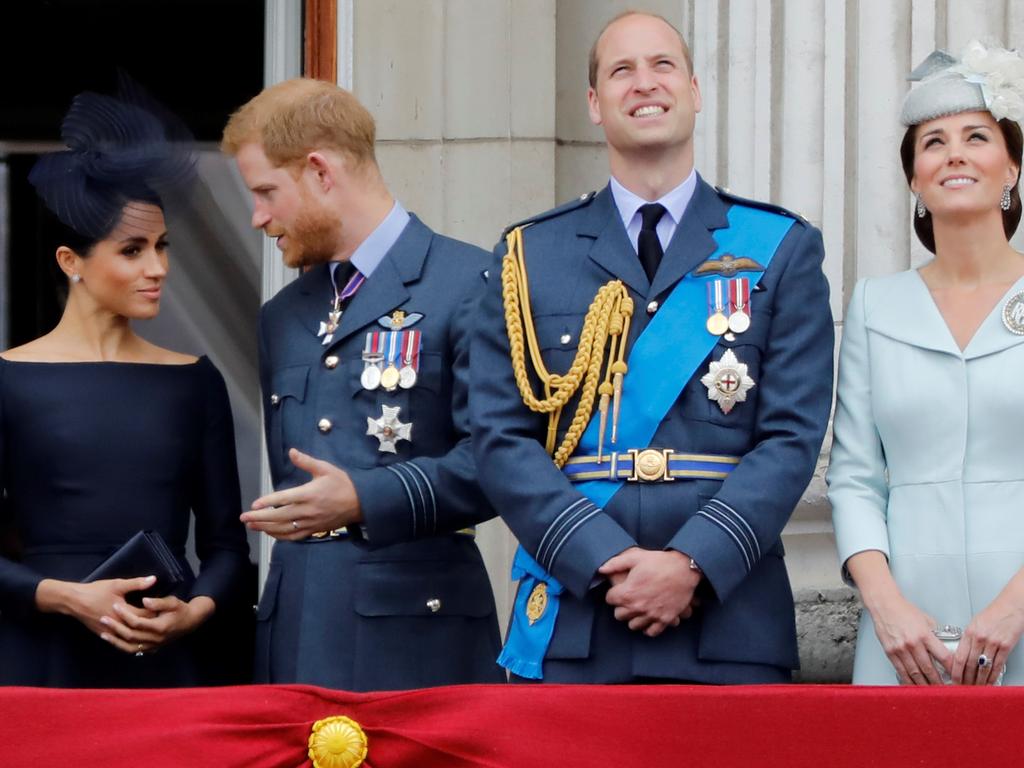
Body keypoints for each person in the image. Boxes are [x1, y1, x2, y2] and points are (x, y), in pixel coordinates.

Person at [471, 11, 833, 683]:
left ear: (694, 89)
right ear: (594, 105)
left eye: (662, 65)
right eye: (621, 70)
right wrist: (603, 560)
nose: (645, 83)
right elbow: (498, 438)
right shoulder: (529, 255)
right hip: (580, 615)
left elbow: (791, 438)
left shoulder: (779, 248)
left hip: (730, 618)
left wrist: (692, 563)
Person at [221, 78, 503, 690]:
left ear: (320, 171)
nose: (258, 216)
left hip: (417, 633)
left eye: (267, 191)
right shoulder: (283, 315)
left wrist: (364, 498)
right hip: (295, 626)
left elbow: (499, 463)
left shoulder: (471, 281)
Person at [0, 88, 251, 687]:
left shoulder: (195, 381)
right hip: (43, 659)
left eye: (162, 246)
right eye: (132, 250)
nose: (158, 268)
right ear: (71, 261)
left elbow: (226, 548)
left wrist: (195, 611)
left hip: (166, 659)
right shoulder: (8, 379)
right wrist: (63, 596)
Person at [829, 41, 1024, 686]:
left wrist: (1010, 609)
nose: (955, 154)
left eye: (977, 136)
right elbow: (856, 476)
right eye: (933, 142)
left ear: (1012, 168)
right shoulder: (876, 307)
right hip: (903, 639)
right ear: (914, 178)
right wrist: (887, 609)